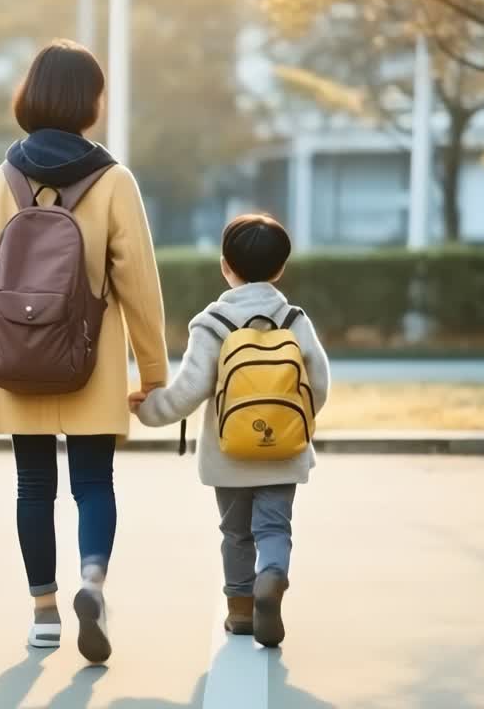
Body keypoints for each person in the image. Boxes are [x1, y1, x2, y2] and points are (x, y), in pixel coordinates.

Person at [0, 39, 167, 664]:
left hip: (16, 360)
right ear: (90, 103)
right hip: (90, 359)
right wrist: (153, 371)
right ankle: (93, 584)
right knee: (94, 483)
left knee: (32, 486)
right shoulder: (114, 180)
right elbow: (139, 284)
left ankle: (44, 614)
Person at [130, 213, 330, 648]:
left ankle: (240, 613)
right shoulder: (295, 318)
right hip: (283, 451)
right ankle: (272, 576)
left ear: (225, 265)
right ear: (280, 268)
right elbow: (319, 382)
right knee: (275, 528)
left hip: (230, 454)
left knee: (235, 533)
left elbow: (188, 391)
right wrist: (296, 424)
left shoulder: (213, 323)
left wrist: (148, 409)